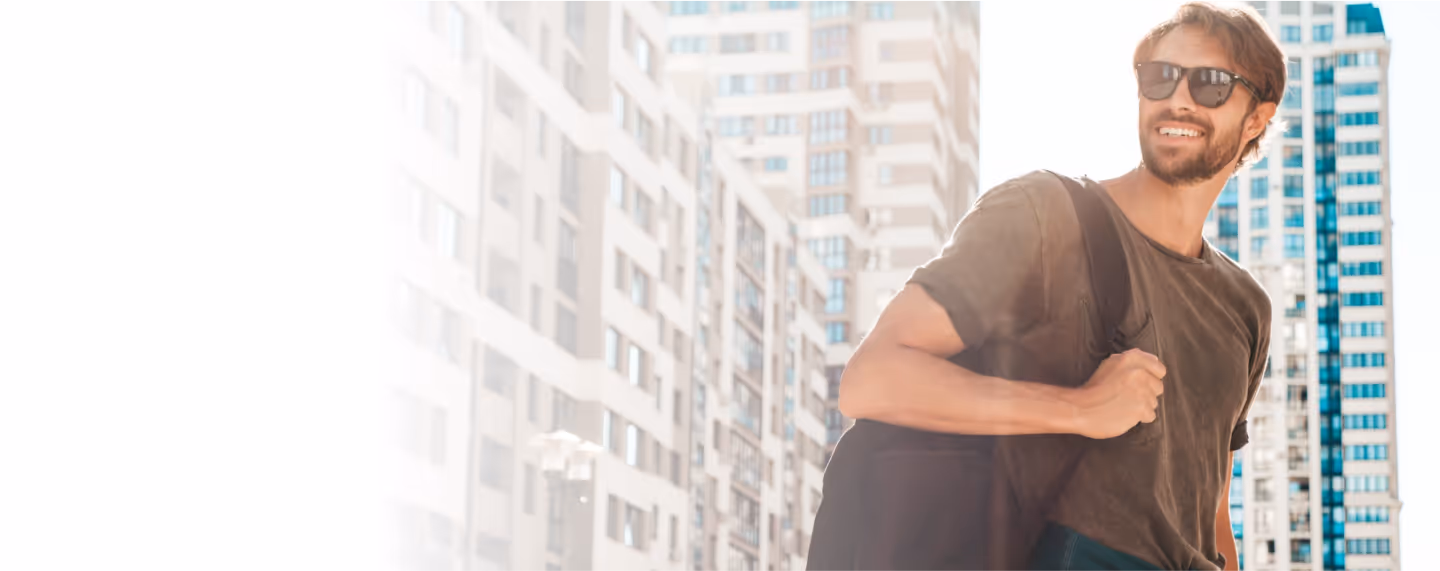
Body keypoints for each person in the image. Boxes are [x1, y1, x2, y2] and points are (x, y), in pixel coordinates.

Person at [832, 3, 1281, 570]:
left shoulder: (1245, 308)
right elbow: (873, 379)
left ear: (1257, 118)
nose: (1179, 99)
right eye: (1160, 76)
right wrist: (1078, 409)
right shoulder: (1044, 215)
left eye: (1211, 83)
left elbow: (1213, 507)